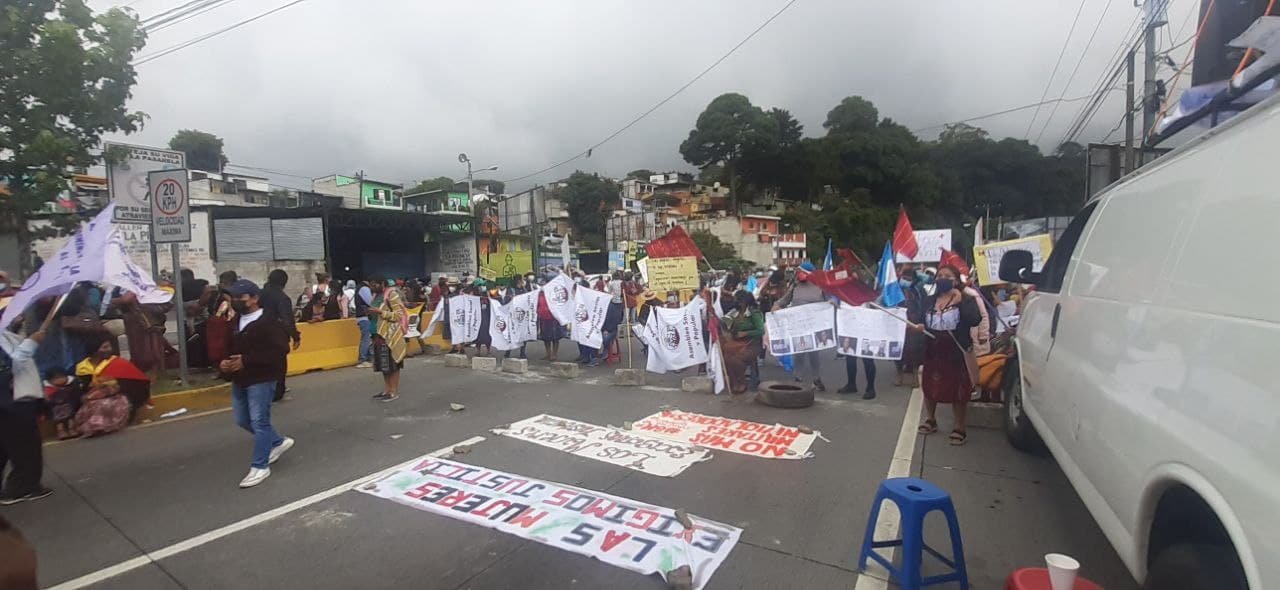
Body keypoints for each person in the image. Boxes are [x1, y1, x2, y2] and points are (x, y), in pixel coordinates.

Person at [220, 279, 294, 488]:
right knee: (242, 419)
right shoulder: (236, 322)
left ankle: (260, 466)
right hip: (240, 378)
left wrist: (246, 360)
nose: (235, 301)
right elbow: (229, 347)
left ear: (254, 299)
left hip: (262, 379)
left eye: (240, 297)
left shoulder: (269, 322)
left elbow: (279, 351)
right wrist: (224, 364)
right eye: (233, 297)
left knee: (260, 421)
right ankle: (277, 442)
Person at [912, 265, 982, 446]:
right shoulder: (929, 300)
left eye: (947, 276)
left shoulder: (966, 298)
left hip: (956, 351)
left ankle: (959, 427)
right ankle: (931, 419)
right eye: (940, 275)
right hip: (933, 350)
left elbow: (975, 319)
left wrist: (960, 302)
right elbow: (920, 318)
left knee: (958, 391)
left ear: (956, 280)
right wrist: (919, 326)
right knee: (930, 386)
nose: (942, 278)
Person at [0, 305, 56, 506]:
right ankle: (21, 487)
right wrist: (31, 343)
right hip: (11, 403)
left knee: (6, 446)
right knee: (25, 447)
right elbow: (11, 364)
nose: (19, 317)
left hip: (13, 401)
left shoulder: (6, 335)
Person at [777, 262, 830, 392]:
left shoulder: (819, 286)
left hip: (814, 327)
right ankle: (798, 378)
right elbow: (784, 300)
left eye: (801, 271)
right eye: (798, 271)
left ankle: (816, 379)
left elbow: (829, 300)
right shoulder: (795, 286)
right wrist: (776, 306)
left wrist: (833, 303)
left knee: (814, 354)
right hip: (798, 327)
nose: (798, 274)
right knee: (799, 353)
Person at [260, 269, 302, 401]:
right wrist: (295, 337)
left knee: (262, 362)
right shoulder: (282, 298)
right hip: (276, 335)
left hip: (258, 333)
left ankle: (263, 389)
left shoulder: (258, 294)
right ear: (284, 283)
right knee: (278, 364)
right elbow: (287, 320)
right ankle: (277, 393)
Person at [366, 275, 407, 402]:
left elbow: (398, 315)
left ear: (382, 284)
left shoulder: (392, 295)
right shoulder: (376, 296)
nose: (372, 287)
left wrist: (380, 312)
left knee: (393, 364)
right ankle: (387, 390)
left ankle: (393, 391)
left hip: (390, 335)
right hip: (377, 334)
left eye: (375, 284)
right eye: (371, 285)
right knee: (383, 365)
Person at [721, 291, 764, 393]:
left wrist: (746, 333)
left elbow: (761, 331)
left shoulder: (754, 313)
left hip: (753, 343)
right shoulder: (733, 313)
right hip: (737, 343)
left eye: (739, 301)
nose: (738, 303)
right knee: (726, 359)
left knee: (736, 360)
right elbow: (724, 322)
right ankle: (735, 382)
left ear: (746, 301)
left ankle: (742, 381)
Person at [895, 268, 928, 388]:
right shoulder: (894, 291)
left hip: (915, 326)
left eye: (909, 279)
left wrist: (921, 324)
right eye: (904, 278)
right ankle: (899, 375)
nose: (906, 281)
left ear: (914, 280)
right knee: (898, 352)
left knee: (915, 352)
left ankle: (915, 377)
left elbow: (924, 308)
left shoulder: (919, 292)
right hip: (899, 325)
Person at [44, 368, 79, 440]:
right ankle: (61, 431)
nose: (60, 380)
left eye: (62, 377)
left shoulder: (71, 385)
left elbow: (75, 396)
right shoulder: (48, 388)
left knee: (71, 417)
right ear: (50, 380)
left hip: (69, 406)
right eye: (56, 378)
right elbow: (48, 400)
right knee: (58, 420)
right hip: (56, 408)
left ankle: (72, 429)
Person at [351, 279, 374, 368]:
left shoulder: (358, 288)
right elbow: (370, 302)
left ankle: (367, 359)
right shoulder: (364, 288)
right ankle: (363, 359)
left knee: (366, 338)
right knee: (366, 339)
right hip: (364, 316)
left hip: (360, 317)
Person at [536, 285, 562, 361]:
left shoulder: (553, 294)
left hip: (553, 319)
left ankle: (554, 354)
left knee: (555, 337)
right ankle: (548, 354)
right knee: (545, 338)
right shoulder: (539, 295)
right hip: (543, 319)